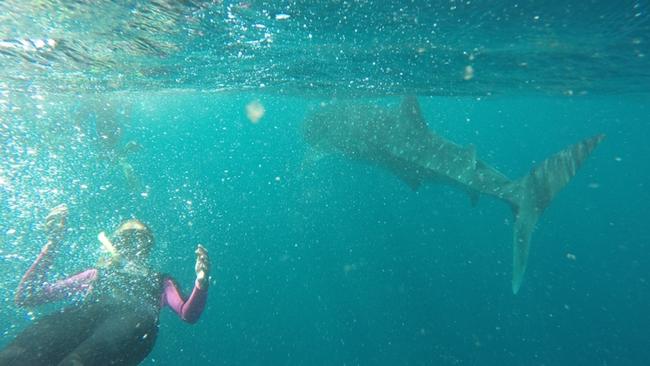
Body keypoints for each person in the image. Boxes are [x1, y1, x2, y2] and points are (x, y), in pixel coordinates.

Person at [0, 203, 211, 366]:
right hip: (86, 319)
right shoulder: (95, 274)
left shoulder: (160, 281)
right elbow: (27, 297)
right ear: (115, 243)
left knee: (122, 328)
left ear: (148, 247)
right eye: (125, 238)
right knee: (18, 356)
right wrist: (52, 244)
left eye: (140, 239)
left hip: (132, 330)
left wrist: (201, 282)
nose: (132, 244)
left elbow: (187, 314)